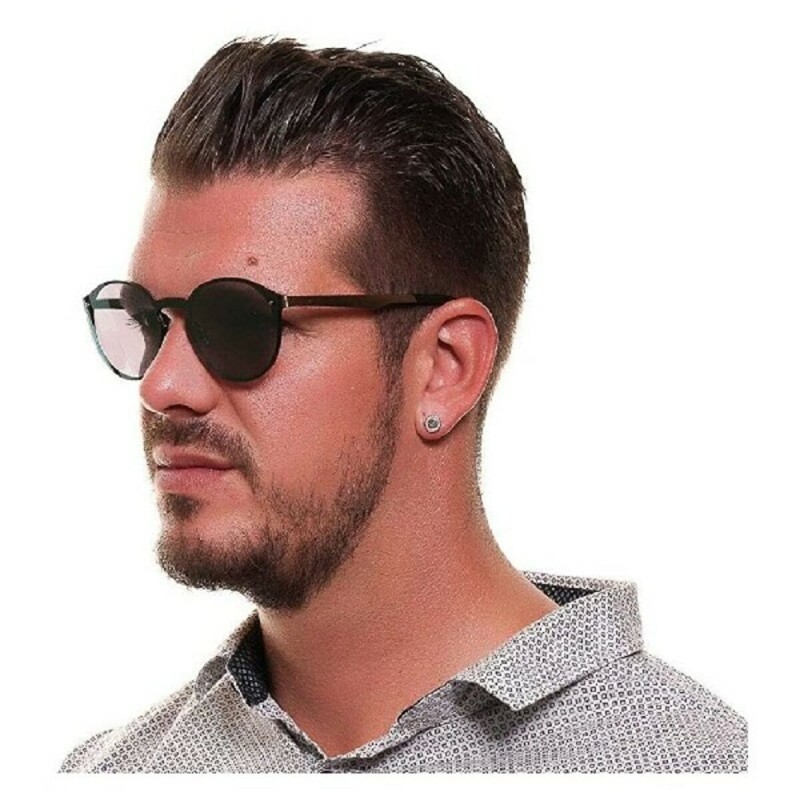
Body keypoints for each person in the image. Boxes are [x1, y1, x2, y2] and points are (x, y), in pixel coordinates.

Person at [58, 35, 746, 774]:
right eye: (148, 321)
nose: (162, 386)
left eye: (238, 323)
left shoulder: (698, 766)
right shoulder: (110, 775)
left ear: (445, 368)